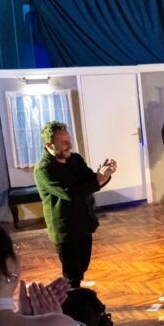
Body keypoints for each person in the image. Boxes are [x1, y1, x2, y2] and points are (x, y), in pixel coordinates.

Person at [34, 121, 117, 288]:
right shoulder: (43, 169)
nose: (69, 145)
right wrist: (98, 180)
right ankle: (71, 301)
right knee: (73, 275)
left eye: (69, 140)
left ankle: (73, 295)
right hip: (65, 230)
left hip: (84, 223)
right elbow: (69, 193)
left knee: (82, 267)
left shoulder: (75, 159)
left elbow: (90, 181)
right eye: (64, 142)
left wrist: (105, 175)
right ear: (49, 145)